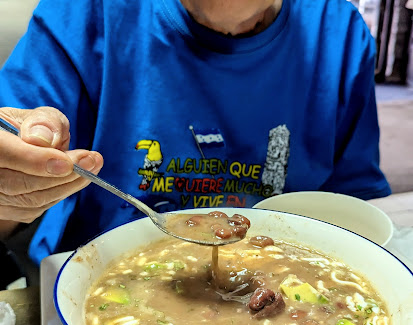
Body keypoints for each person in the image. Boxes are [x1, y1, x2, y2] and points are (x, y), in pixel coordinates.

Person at [0, 0, 391, 265]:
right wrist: (15, 186)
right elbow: (10, 192)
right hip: (84, 273)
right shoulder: (83, 12)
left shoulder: (339, 32)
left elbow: (355, 213)